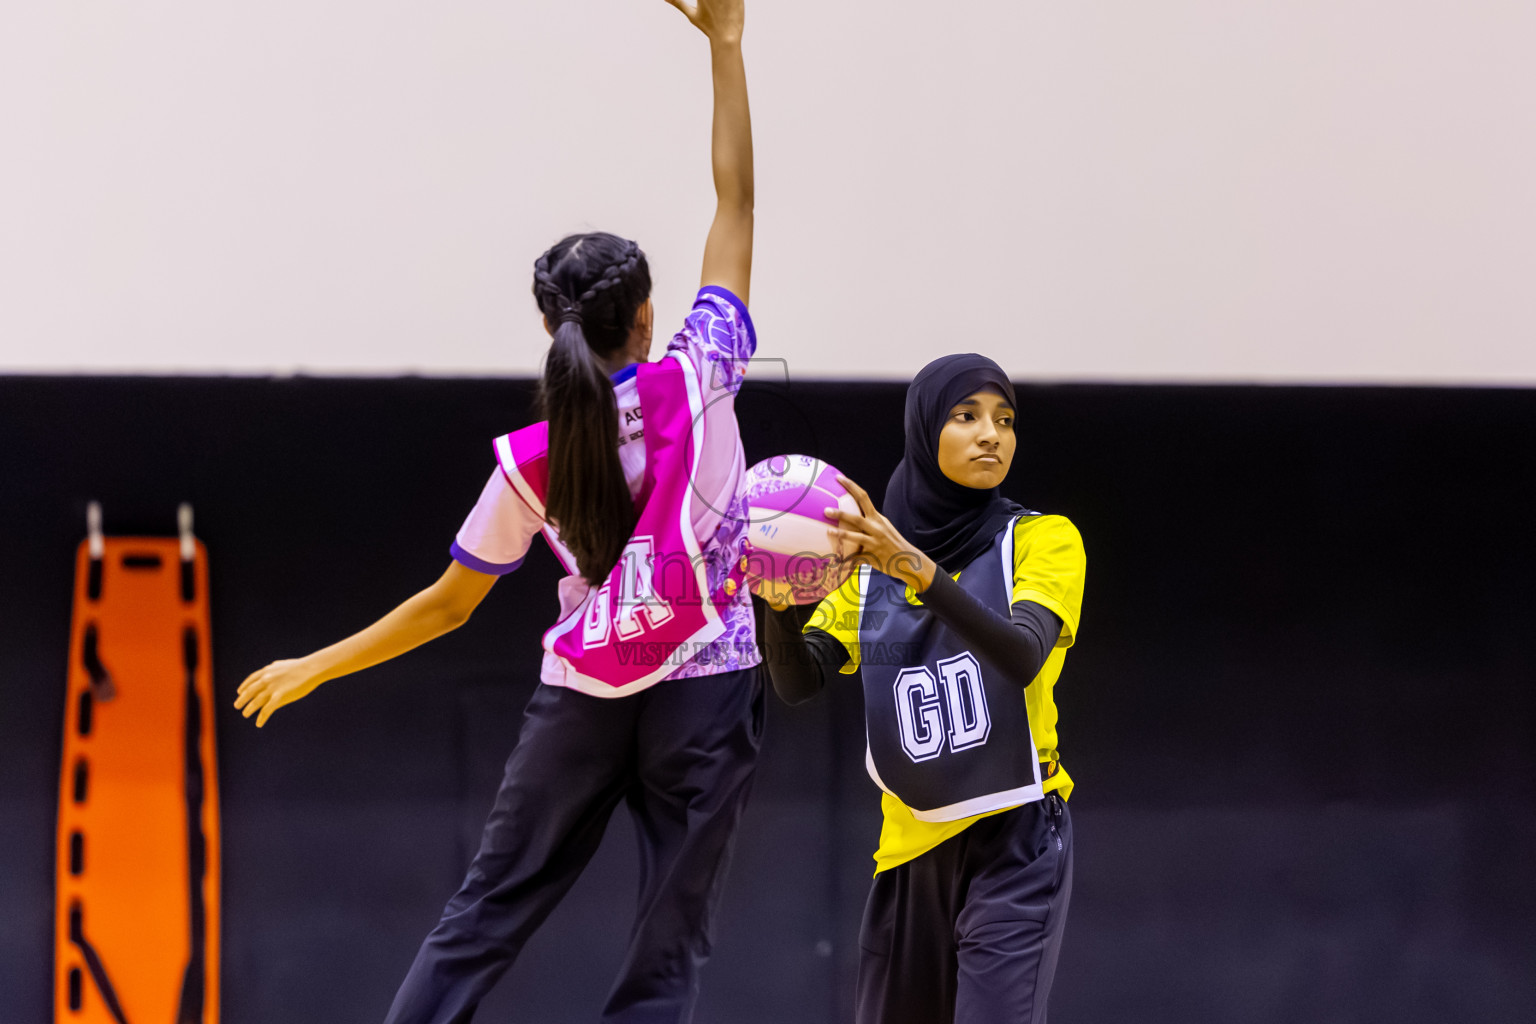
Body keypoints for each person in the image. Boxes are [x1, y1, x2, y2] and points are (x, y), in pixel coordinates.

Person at [234, 1, 759, 1020]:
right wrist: (727, 52)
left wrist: (316, 664)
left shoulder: (528, 462)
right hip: (705, 681)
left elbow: (446, 606)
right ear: (647, 315)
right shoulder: (701, 373)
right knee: (670, 942)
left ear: (547, 327)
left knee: (481, 917)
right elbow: (736, 206)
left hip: (585, 694)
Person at [758, 353, 1086, 1024]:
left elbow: (1021, 654)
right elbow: (800, 680)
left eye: (1004, 419)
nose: (991, 434)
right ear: (924, 432)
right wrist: (777, 600)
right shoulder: (871, 574)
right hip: (911, 847)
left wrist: (911, 566)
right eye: (966, 417)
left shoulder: (1043, 540)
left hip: (1015, 836)